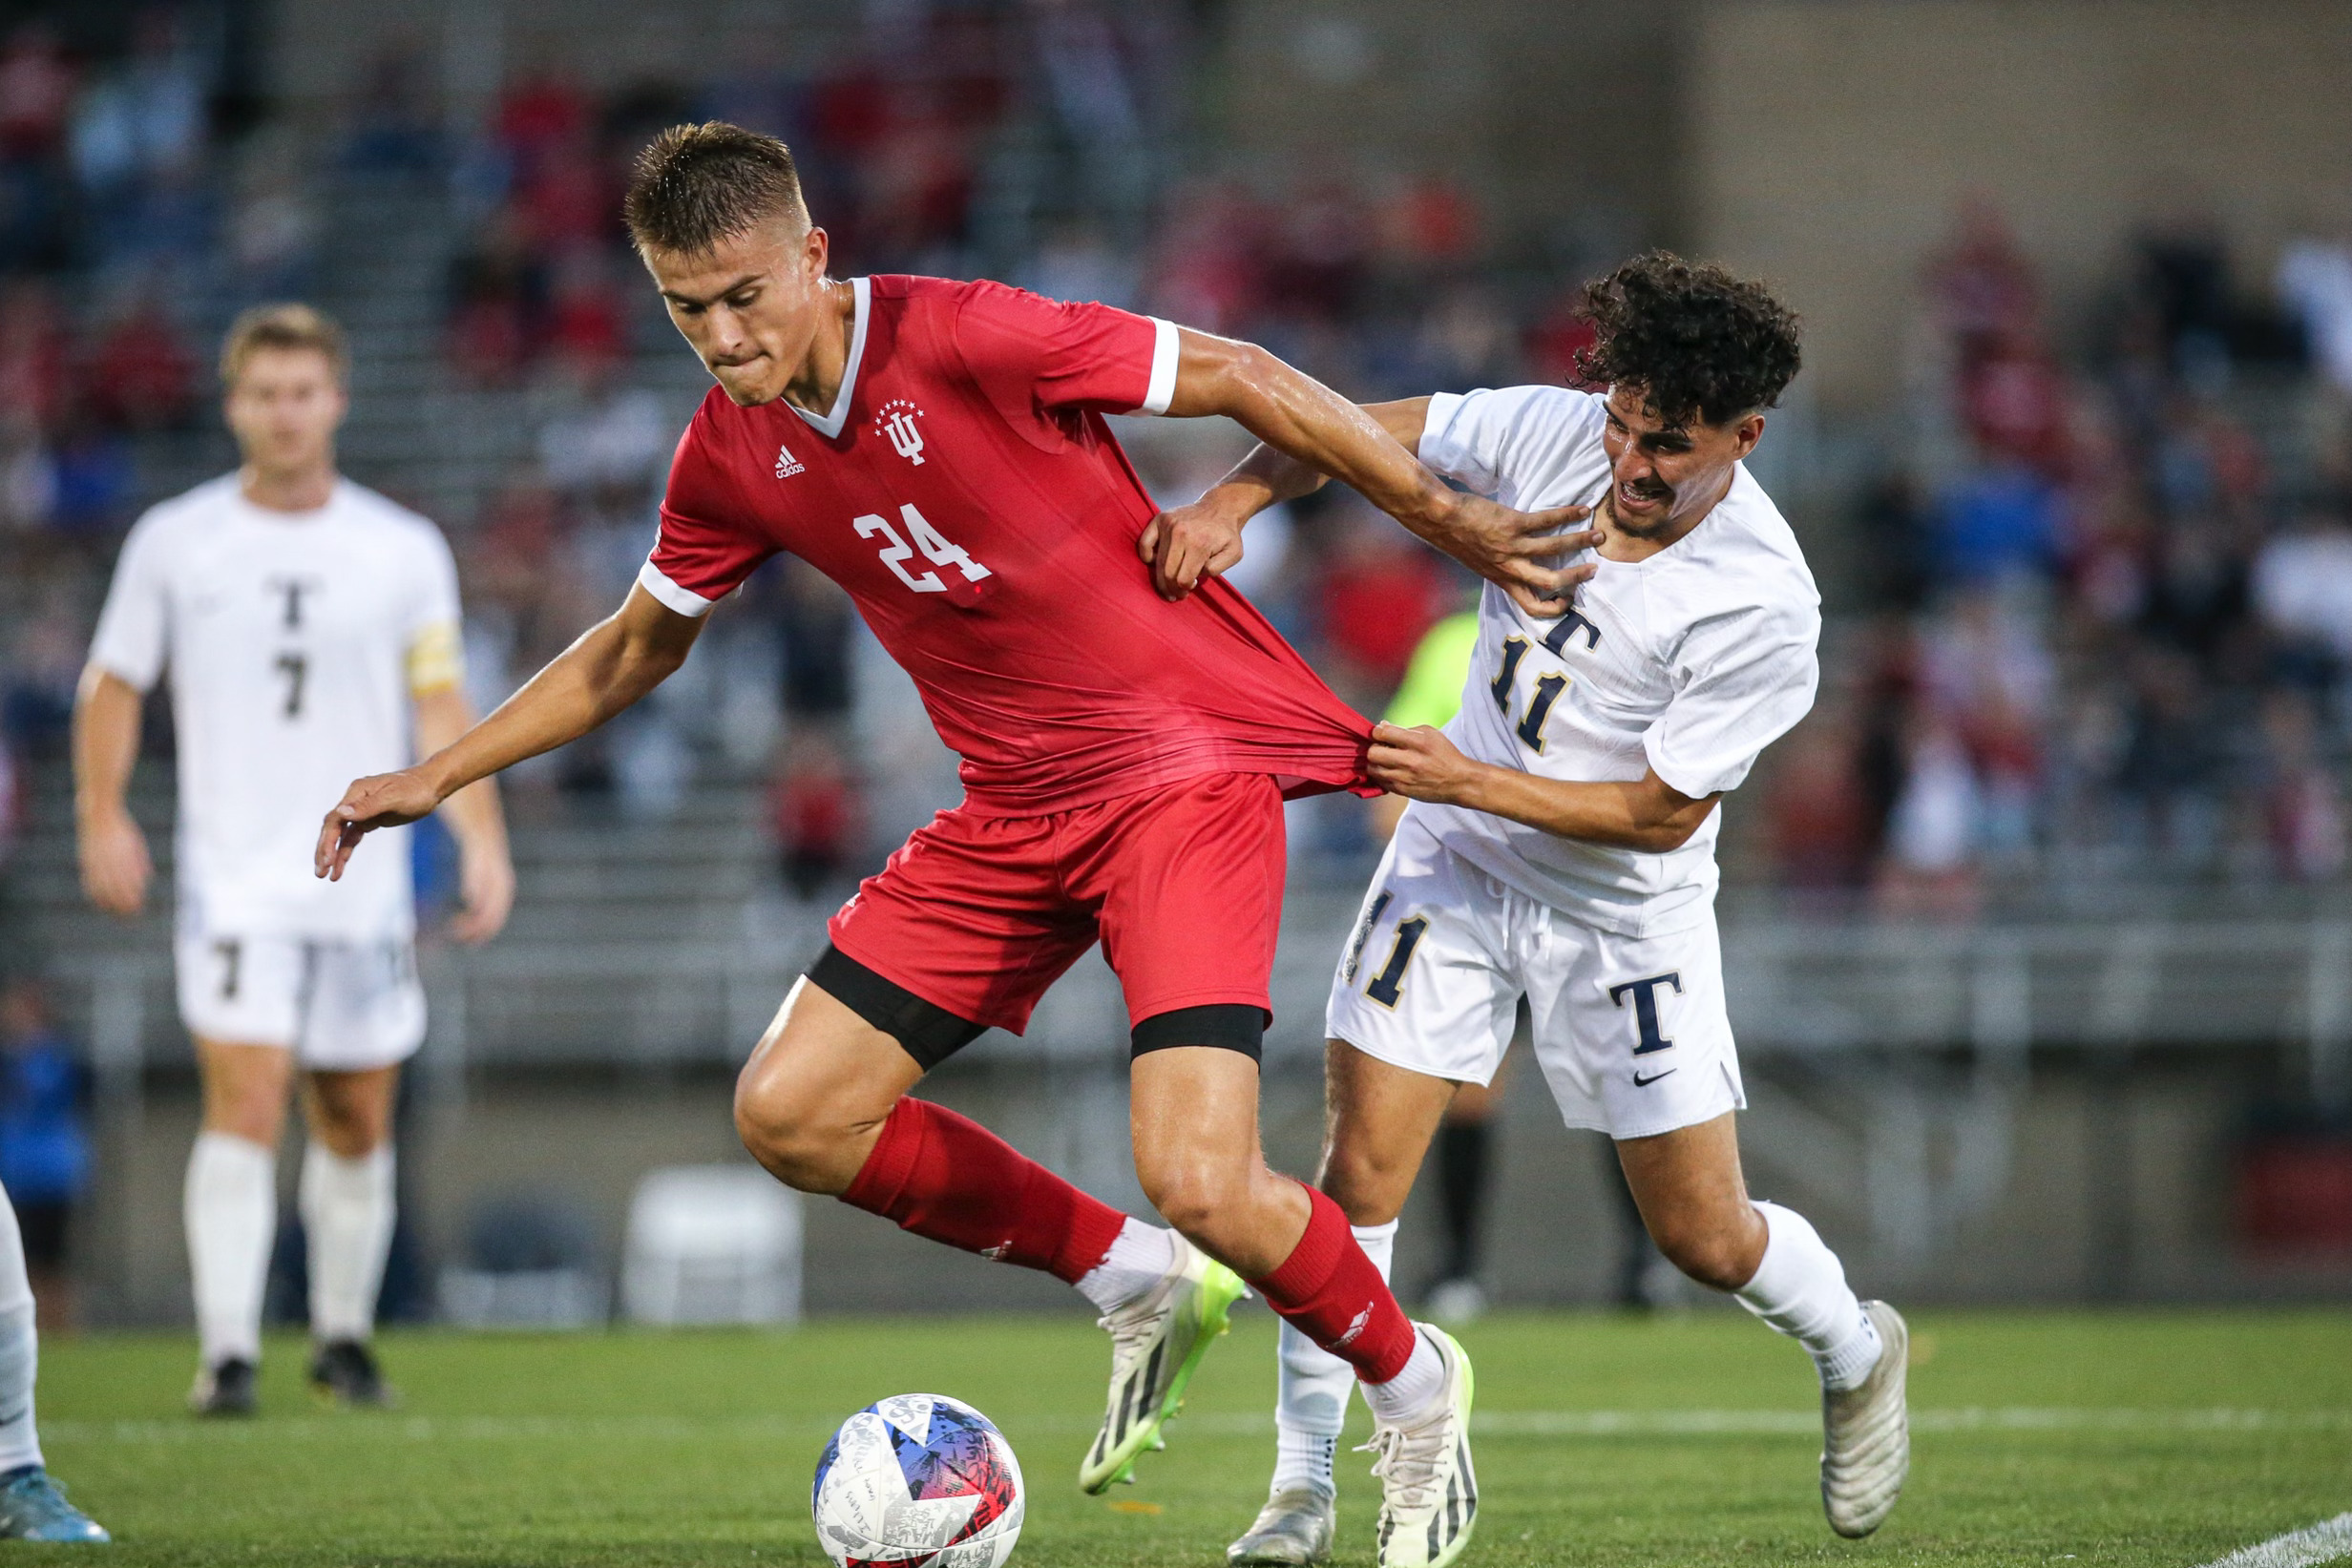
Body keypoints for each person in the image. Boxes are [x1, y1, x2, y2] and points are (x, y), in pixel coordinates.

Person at [313, 123, 1585, 1568]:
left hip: (1178, 771)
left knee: (1204, 1170)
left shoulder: (970, 333)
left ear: (812, 255)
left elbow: (1243, 371)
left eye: (744, 295)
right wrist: (439, 767)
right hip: (1011, 809)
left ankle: (1418, 1390)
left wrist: (1440, 516)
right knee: (793, 1110)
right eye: (684, 306)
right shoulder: (728, 450)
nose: (721, 336)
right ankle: (1129, 1278)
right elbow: (631, 652)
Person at [1163, 253, 1910, 1564]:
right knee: (1355, 1182)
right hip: (1457, 858)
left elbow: (1658, 813)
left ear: (1747, 433)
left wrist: (1465, 771)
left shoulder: (1763, 599)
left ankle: (1855, 1346)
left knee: (1702, 1233)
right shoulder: (1554, 430)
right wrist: (1236, 494)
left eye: (1665, 443)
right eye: (1620, 420)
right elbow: (1344, 426)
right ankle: (1300, 1489)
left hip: (1624, 906)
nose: (1626, 458)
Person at [74, 303, 514, 1415]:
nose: (283, 412)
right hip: (236, 872)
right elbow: (113, 680)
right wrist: (98, 810)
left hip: (362, 880)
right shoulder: (176, 540)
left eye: (302, 391)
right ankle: (226, 1351)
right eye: (263, 392)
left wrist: (481, 834)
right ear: (233, 403)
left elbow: (439, 698)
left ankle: (341, 1336)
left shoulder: (402, 547)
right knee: (247, 1093)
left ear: (337, 401)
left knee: (357, 1109)